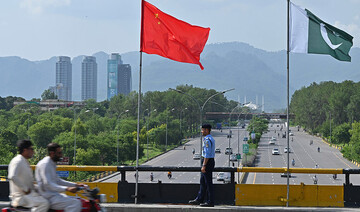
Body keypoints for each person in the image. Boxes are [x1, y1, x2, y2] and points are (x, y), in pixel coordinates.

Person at [35, 143, 85, 212]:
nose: (61, 155)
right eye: (59, 153)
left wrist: (75, 185)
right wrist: (67, 188)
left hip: (54, 195)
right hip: (48, 197)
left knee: (78, 199)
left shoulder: (51, 163)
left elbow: (57, 180)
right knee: (75, 203)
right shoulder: (45, 164)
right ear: (52, 153)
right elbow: (48, 184)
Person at [8, 140, 50, 212]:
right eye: (31, 149)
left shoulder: (24, 161)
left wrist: (39, 188)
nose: (33, 151)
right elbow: (12, 176)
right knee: (45, 203)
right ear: (25, 150)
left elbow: (27, 182)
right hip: (21, 197)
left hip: (27, 195)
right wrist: (25, 189)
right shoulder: (17, 161)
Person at [189, 124, 215, 207]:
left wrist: (204, 165)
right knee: (203, 182)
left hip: (207, 162)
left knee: (208, 183)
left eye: (203, 130)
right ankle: (199, 199)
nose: (201, 132)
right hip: (208, 161)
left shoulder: (207, 140)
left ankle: (210, 201)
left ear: (207, 130)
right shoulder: (210, 138)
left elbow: (207, 154)